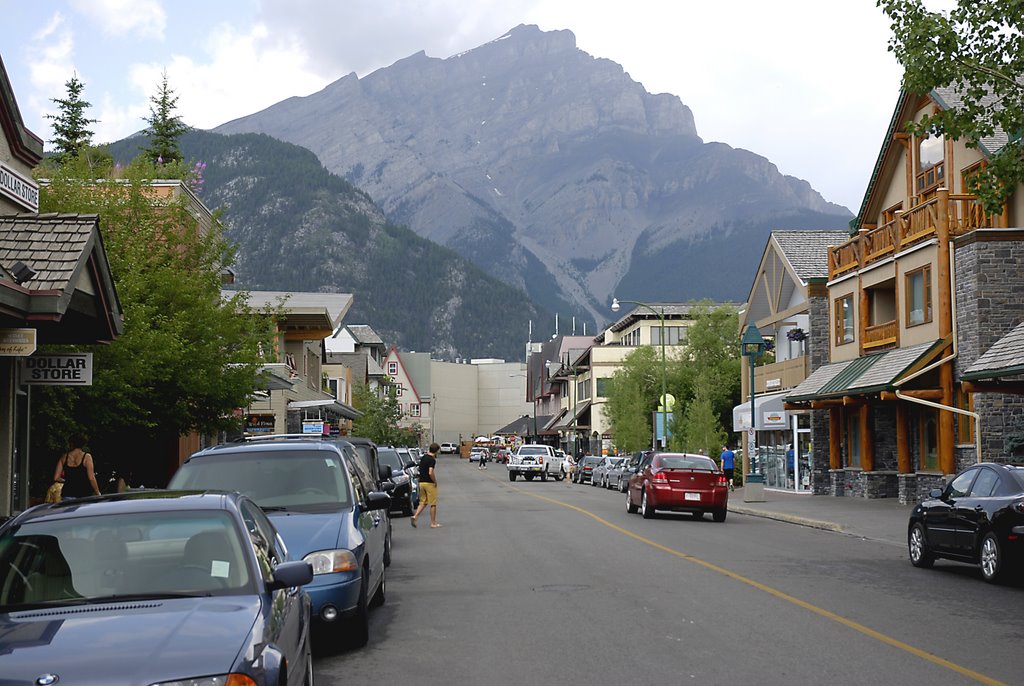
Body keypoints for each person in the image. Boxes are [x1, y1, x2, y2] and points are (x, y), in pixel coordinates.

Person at [53, 433, 101, 500]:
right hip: (84, 493)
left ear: (71, 443)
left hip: (68, 493)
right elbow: (91, 478)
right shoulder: (87, 457)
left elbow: (56, 478)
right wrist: (98, 492)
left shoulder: (64, 457)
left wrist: (68, 481)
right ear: (83, 444)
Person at [411, 442, 441, 528]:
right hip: (429, 483)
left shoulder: (423, 458)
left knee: (423, 502)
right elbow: (430, 472)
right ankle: (433, 523)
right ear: (436, 451)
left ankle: (415, 516)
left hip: (421, 482)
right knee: (433, 503)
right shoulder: (432, 460)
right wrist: (435, 481)